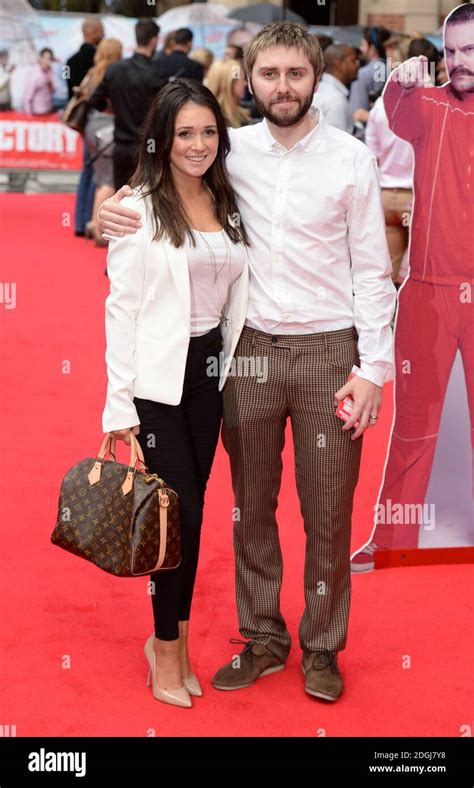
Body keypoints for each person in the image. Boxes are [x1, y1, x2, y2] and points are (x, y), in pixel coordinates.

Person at [98, 22, 396, 703]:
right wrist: (118, 207)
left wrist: (374, 368)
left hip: (331, 354)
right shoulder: (230, 153)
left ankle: (322, 646)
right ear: (248, 82)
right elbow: (167, 186)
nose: (283, 86)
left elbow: (375, 272)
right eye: (270, 74)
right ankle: (263, 636)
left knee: (327, 514)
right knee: (249, 510)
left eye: (296, 73)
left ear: (317, 77)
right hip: (247, 355)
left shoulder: (352, 159)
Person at [101, 79, 250, 708]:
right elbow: (120, 309)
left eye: (208, 131)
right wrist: (120, 406)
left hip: (212, 377)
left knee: (192, 516)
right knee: (176, 519)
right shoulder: (138, 206)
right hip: (159, 381)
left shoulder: (229, 196)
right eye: (184, 133)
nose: (198, 144)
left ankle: (177, 644)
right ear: (161, 138)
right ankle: (165, 651)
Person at [351, 2, 474, 572]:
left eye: (470, 50)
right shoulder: (426, 104)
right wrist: (400, 83)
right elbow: (398, 119)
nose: (459, 62)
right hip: (426, 291)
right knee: (414, 426)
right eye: (451, 51)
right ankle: (392, 538)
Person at [88, 18, 167, 191]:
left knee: (121, 201)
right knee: (146, 202)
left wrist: (116, 109)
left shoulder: (115, 70)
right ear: (154, 40)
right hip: (147, 149)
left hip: (122, 148)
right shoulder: (157, 73)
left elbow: (94, 100)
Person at [66, 16, 104, 237]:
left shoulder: (72, 61)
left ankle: (80, 222)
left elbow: (70, 90)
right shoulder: (97, 64)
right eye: (101, 30)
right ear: (94, 31)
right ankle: (91, 220)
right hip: (99, 122)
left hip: (83, 122)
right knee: (97, 172)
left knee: (87, 169)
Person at [83, 38, 123, 246]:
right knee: (108, 180)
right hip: (108, 127)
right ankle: (99, 229)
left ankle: (91, 222)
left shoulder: (92, 73)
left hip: (91, 127)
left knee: (99, 178)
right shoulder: (115, 73)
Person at [312, 44, 359, 134]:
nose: (357, 65)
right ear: (340, 64)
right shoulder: (336, 100)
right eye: (353, 61)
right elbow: (336, 144)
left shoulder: (322, 90)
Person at [65, 16, 104, 99]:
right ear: (90, 32)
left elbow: (67, 83)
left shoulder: (68, 62)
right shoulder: (101, 60)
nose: (104, 34)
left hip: (76, 108)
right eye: (101, 30)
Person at [206, 59, 251, 128]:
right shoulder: (217, 120)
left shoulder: (238, 112)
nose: (245, 84)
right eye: (243, 79)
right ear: (231, 84)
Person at [23, 48, 55, 115]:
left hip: (48, 109)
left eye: (49, 59)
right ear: (40, 58)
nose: (46, 61)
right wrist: (29, 116)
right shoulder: (34, 73)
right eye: (44, 58)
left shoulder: (50, 71)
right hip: (37, 113)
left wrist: (50, 83)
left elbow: (52, 91)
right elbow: (27, 98)